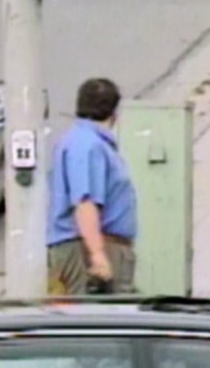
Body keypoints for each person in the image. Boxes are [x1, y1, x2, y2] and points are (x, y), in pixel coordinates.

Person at [47, 78, 138, 295]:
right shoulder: (88, 146)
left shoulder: (80, 140)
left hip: (89, 245)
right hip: (88, 249)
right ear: (114, 113)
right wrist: (97, 255)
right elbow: (85, 203)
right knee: (94, 319)